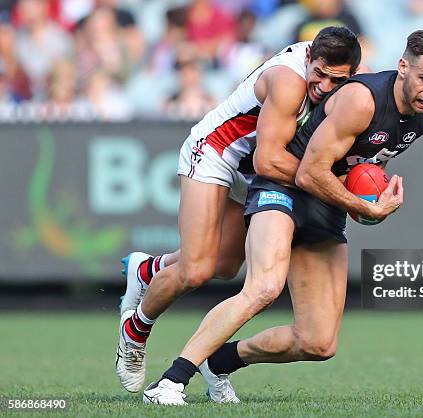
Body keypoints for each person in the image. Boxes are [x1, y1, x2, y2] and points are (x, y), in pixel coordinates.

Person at [143, 29, 423, 405]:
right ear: (403, 67)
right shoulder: (362, 100)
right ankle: (169, 382)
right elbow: (308, 172)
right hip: (284, 186)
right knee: (263, 287)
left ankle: (220, 361)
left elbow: (362, 170)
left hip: (324, 203)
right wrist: (362, 206)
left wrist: (370, 197)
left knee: (318, 342)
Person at [115, 26, 361, 393]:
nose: (324, 86)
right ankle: (135, 331)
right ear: (309, 57)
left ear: (351, 75)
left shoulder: (344, 87)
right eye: (319, 74)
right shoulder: (288, 81)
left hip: (253, 167)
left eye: (335, 80)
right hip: (217, 151)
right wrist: (331, 185)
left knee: (225, 267)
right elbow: (268, 160)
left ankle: (148, 269)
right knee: (196, 270)